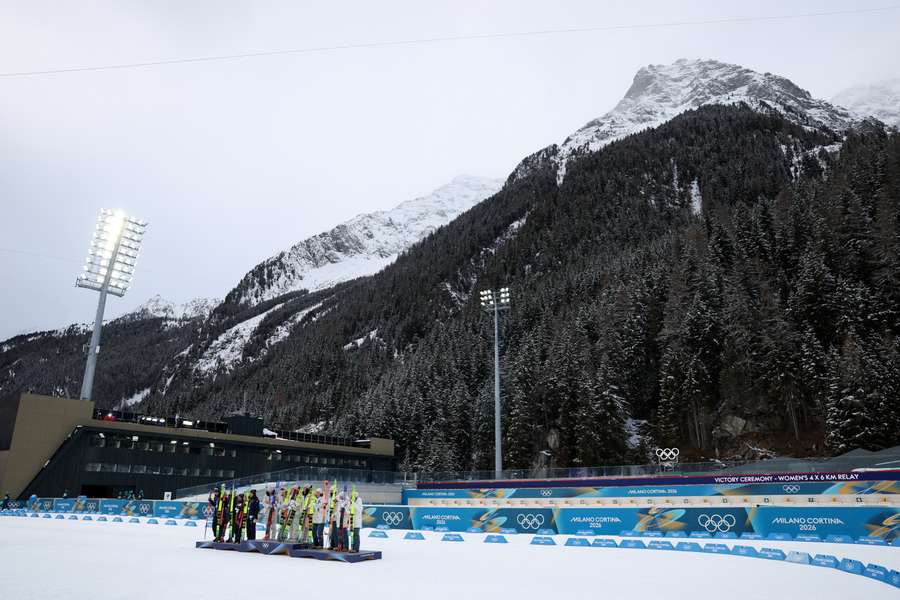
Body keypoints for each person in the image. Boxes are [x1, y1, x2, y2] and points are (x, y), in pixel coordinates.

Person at [349, 488, 363, 553]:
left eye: (352, 496)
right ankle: (352, 547)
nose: (351, 498)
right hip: (352, 521)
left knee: (356, 535)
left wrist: (353, 503)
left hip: (357, 521)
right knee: (352, 535)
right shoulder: (352, 502)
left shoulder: (359, 500)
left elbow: (358, 509)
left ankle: (356, 548)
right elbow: (349, 510)